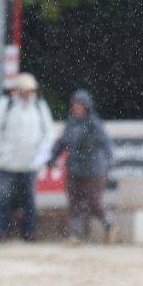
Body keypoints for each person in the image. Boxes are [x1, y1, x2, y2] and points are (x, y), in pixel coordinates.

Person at [0, 73, 54, 240]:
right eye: (25, 90)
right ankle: (3, 231)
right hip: (8, 163)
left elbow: (49, 133)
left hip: (30, 163)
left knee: (29, 200)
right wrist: (1, 150)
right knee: (4, 199)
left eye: (30, 90)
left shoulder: (39, 106)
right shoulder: (6, 104)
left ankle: (29, 232)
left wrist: (40, 156)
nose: (28, 94)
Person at [48, 89, 114, 243]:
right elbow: (62, 143)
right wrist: (53, 157)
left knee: (94, 203)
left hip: (93, 170)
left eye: (80, 105)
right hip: (74, 168)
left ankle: (109, 225)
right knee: (74, 203)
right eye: (75, 105)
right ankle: (75, 234)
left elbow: (106, 143)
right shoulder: (71, 124)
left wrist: (110, 160)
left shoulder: (94, 124)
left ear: (86, 106)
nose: (77, 108)